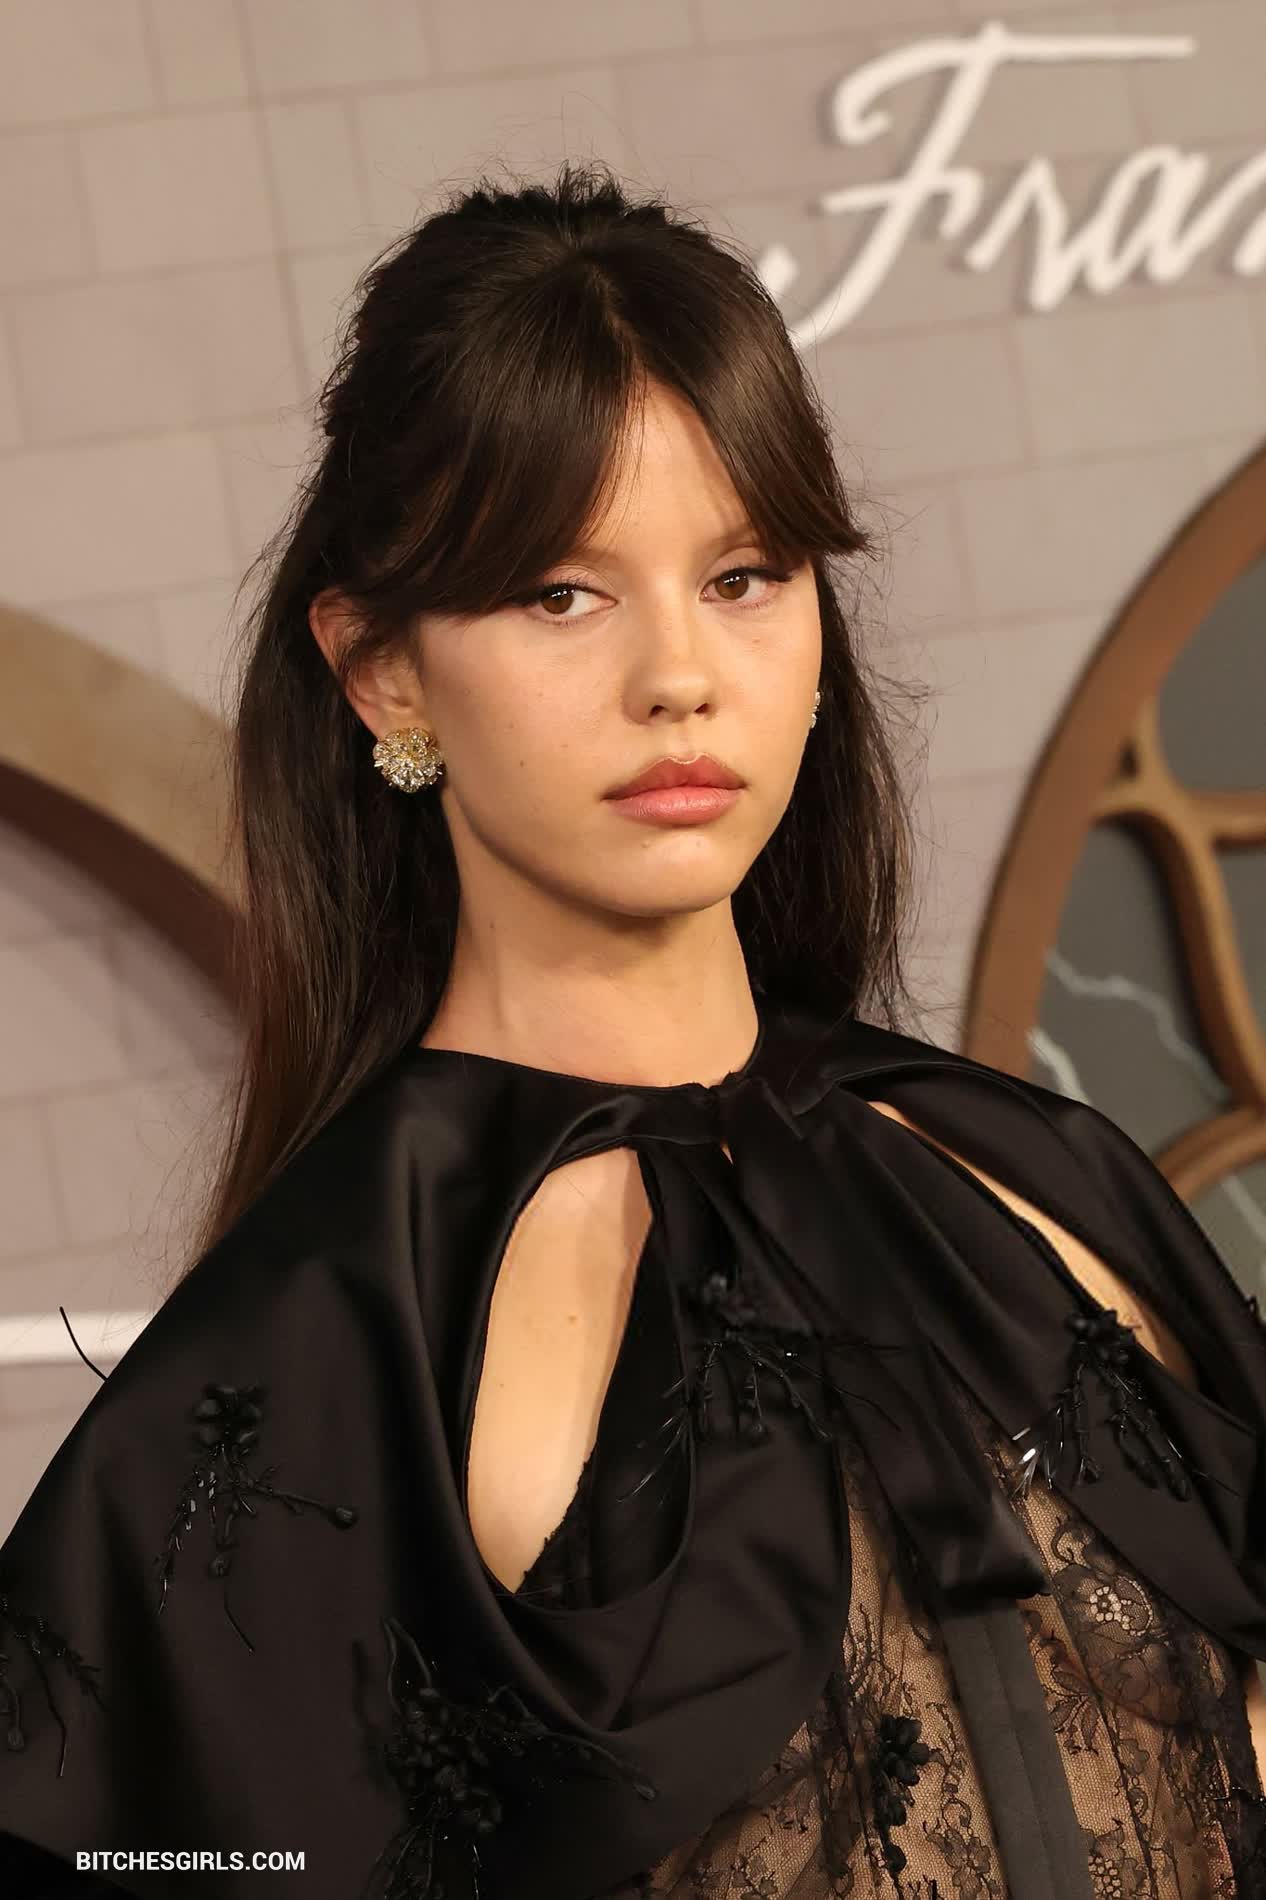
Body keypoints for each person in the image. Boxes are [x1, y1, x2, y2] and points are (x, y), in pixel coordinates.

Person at [0, 160, 1263, 1900]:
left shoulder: (1038, 1176)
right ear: (379, 669)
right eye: (560, 593)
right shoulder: (330, 1345)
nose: (679, 676)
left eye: (742, 575)